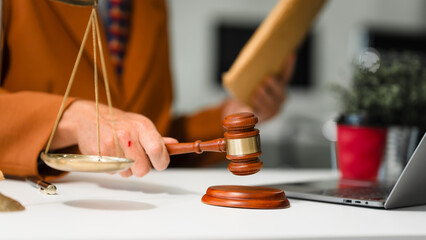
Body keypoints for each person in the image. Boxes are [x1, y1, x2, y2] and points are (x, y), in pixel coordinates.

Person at [0, 0, 295, 180]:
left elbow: (151, 133)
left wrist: (229, 114)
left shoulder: (151, 5)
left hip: (146, 214)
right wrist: (71, 118)